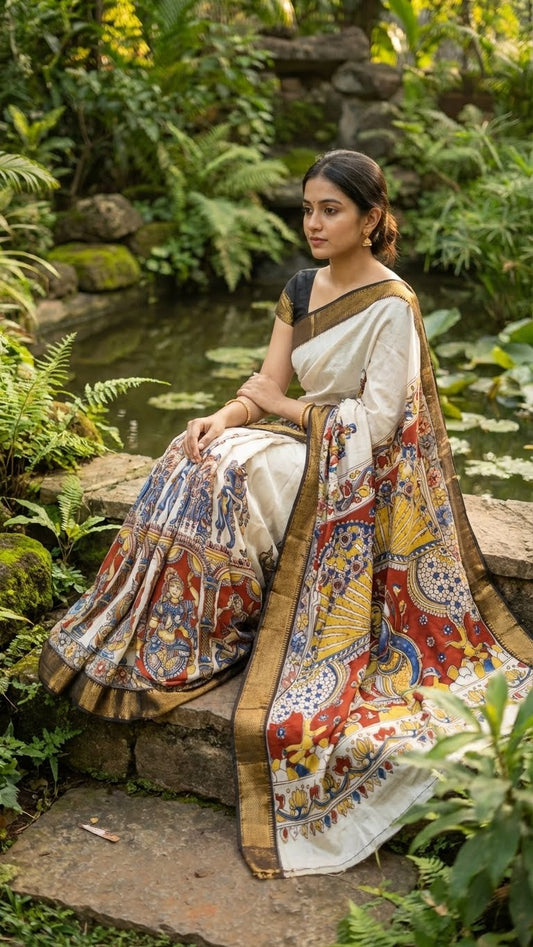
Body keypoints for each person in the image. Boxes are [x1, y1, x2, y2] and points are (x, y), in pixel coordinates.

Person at [39, 150, 532, 879]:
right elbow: (263, 385)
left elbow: (374, 425)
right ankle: (181, 632)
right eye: (306, 209)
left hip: (350, 468)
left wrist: (277, 411)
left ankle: (220, 625)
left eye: (330, 210)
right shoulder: (300, 288)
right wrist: (221, 412)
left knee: (234, 473)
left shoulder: (392, 303)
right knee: (190, 454)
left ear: (370, 219)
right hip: (300, 439)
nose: (313, 223)